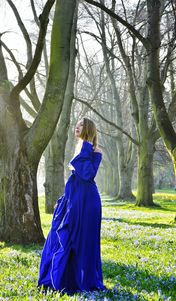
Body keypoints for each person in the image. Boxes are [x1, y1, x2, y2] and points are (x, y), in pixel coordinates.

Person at [37, 117, 106, 295]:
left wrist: (85, 146)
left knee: (84, 242)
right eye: (77, 124)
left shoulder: (95, 151)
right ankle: (65, 279)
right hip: (74, 201)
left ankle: (82, 280)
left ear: (89, 128)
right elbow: (74, 180)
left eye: (82, 124)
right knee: (65, 237)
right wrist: (63, 200)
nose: (77, 126)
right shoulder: (79, 149)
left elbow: (87, 175)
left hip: (88, 203)